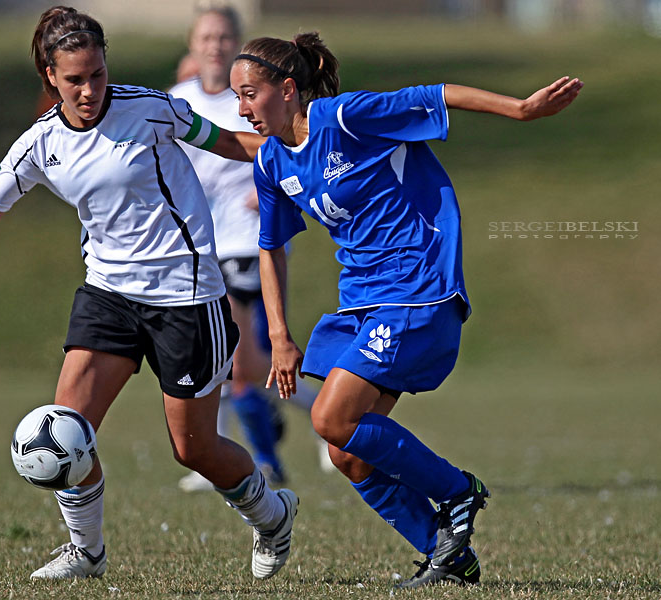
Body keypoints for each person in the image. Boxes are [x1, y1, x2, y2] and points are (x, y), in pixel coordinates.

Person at [0, 6, 299, 582]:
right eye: (75, 79)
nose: (90, 90)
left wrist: (302, 149)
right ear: (50, 78)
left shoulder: (151, 110)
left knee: (195, 450)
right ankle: (86, 551)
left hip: (185, 295)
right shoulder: (39, 145)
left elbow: (232, 143)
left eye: (98, 75)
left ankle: (271, 514)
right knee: (68, 428)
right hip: (108, 294)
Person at [230, 33, 582, 587]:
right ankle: (446, 553)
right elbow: (270, 247)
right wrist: (279, 334)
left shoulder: (346, 117)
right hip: (363, 302)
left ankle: (457, 490)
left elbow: (437, 94)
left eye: (250, 94)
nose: (243, 109)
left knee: (330, 418)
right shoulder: (273, 161)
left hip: (418, 289)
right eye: (238, 98)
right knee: (346, 453)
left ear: (289, 89)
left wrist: (519, 110)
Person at [168, 6, 325, 493]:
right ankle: (316, 419)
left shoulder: (256, 96)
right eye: (206, 36)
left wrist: (269, 180)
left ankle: (253, 459)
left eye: (224, 36)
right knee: (238, 361)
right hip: (199, 244)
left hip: (248, 241)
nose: (214, 44)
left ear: (237, 44)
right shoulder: (178, 101)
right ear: (193, 45)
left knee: (238, 360)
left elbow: (288, 143)